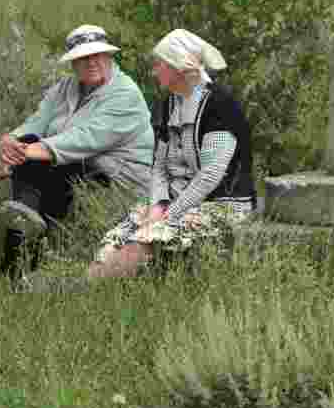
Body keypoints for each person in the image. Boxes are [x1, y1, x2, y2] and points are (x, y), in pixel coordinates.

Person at [88, 29, 257, 279]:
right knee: (117, 237)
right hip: (175, 203)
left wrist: (170, 214)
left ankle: (91, 286)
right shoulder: (169, 104)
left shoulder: (219, 105)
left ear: (178, 66)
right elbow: (159, 166)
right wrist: (158, 205)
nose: (154, 71)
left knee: (145, 239)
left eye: (159, 64)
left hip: (222, 204)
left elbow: (210, 175)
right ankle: (88, 284)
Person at [0, 24, 154, 282]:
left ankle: (18, 262)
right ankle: (22, 252)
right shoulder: (65, 88)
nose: (91, 62)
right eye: (83, 58)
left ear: (108, 57)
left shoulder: (126, 95)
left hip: (119, 182)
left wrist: (22, 155)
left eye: (97, 55)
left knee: (45, 169)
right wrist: (10, 142)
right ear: (73, 63)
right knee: (34, 153)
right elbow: (37, 122)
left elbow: (83, 140)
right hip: (76, 167)